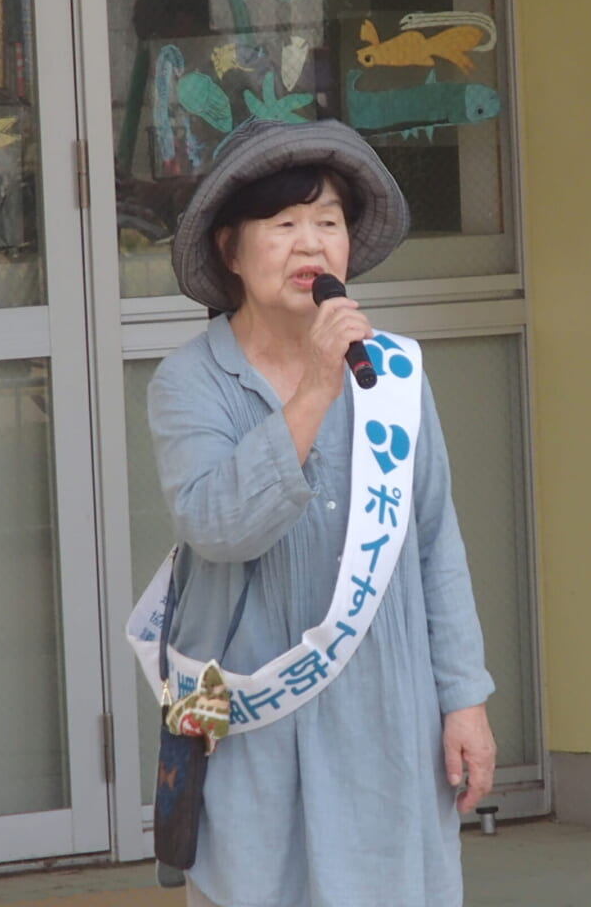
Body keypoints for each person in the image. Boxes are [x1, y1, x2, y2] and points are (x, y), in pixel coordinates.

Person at [146, 117, 496, 907]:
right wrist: (313, 390)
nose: (311, 243)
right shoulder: (190, 383)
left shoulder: (392, 373)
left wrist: (464, 700)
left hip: (388, 716)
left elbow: (435, 542)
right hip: (253, 721)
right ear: (231, 251)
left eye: (328, 222)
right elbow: (217, 526)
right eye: (284, 224)